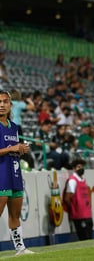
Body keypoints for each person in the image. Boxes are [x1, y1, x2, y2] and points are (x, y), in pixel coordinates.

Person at [0, 90, 34, 256]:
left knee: (15, 214)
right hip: (1, 174)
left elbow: (12, 148)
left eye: (5, 101)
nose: (2, 105)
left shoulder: (14, 126)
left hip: (14, 171)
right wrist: (12, 148)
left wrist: (20, 150)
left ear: (10, 104)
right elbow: (7, 148)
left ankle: (20, 248)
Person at [63, 159, 93, 241]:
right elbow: (67, 198)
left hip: (87, 214)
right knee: (84, 238)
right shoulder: (72, 181)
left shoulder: (83, 179)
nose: (81, 168)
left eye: (82, 167)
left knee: (89, 237)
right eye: (79, 167)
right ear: (74, 169)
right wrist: (74, 207)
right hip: (79, 215)